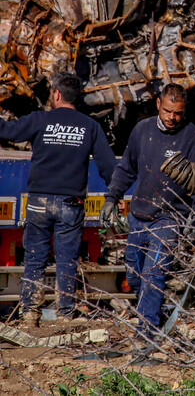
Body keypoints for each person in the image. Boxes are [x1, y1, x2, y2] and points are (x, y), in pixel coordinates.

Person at [0, 72, 117, 324]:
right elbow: (109, 167)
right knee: (67, 259)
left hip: (38, 202)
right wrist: (114, 196)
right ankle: (65, 314)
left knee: (34, 257)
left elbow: (8, 130)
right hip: (70, 204)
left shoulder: (40, 120)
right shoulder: (90, 126)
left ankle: (30, 312)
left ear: (56, 94)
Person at [99, 83, 195, 340]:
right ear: (158, 104)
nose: (172, 117)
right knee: (134, 277)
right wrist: (111, 199)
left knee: (153, 275)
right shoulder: (142, 130)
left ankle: (146, 332)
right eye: (168, 111)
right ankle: (154, 312)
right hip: (139, 215)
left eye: (178, 113)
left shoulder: (194, 139)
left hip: (169, 219)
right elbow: (126, 168)